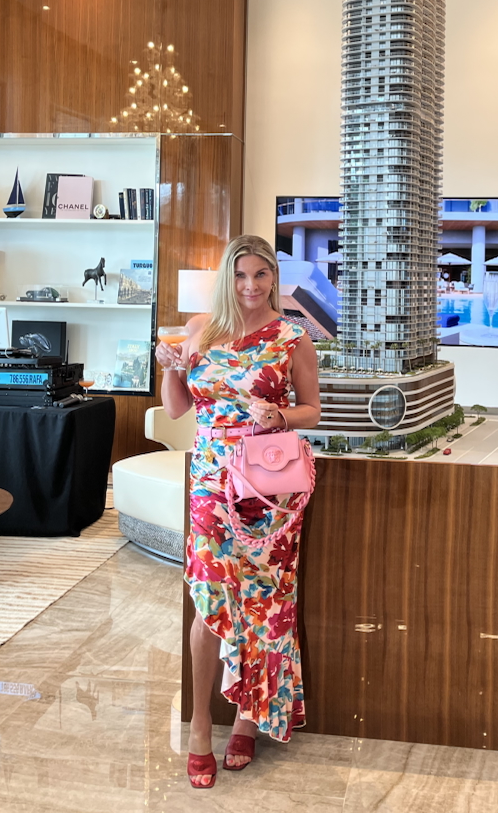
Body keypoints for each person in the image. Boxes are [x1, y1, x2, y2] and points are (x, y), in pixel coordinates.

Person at [156, 234, 321, 789]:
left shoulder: (293, 335)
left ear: (274, 277)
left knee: (262, 602)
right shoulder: (202, 328)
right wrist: (170, 366)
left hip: (268, 487)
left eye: (260, 274)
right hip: (209, 481)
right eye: (240, 275)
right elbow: (176, 409)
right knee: (209, 599)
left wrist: (280, 416)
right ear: (228, 277)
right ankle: (201, 724)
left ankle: (249, 719)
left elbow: (313, 409)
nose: (250, 286)